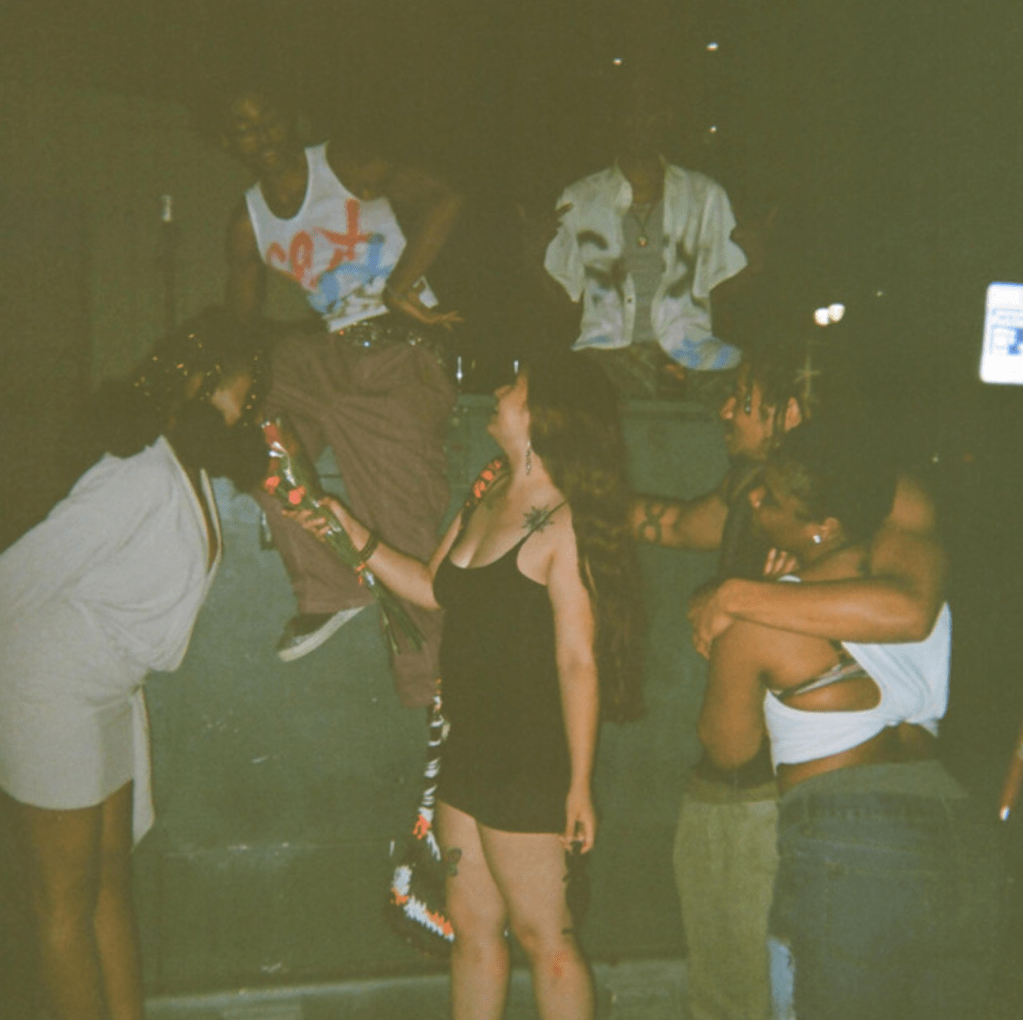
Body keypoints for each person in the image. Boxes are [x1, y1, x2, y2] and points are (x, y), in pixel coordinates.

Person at [289, 352, 644, 1020]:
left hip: (529, 761)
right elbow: (431, 587)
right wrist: (345, 525)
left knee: (547, 938)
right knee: (472, 932)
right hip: (467, 752)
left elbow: (577, 660)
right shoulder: (486, 492)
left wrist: (578, 784)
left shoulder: (565, 523)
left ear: (542, 415)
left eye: (516, 385)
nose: (499, 391)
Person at [629, 336, 946, 1020]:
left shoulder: (887, 496)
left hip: (795, 799)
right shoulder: (751, 490)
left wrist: (740, 600)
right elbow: (671, 523)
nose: (723, 412)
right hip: (774, 790)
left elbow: (909, 609)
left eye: (742, 401)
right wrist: (577, 492)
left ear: (790, 413)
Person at [0, 308, 265, 1020]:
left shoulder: (184, 467)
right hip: (49, 687)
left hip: (110, 692)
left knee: (111, 883)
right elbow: (23, 571)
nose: (246, 411)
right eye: (241, 393)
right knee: (62, 904)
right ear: (200, 384)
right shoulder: (137, 472)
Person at [698, 422, 1004, 1020]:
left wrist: (734, 632)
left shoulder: (753, 617)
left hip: (845, 841)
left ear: (824, 526)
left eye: (772, 498)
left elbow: (727, 748)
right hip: (955, 833)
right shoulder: (913, 570)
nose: (754, 498)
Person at [216, 79, 463, 708]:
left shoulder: (343, 163)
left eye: (268, 119)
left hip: (401, 352)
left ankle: (431, 693)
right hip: (328, 355)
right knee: (244, 417)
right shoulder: (247, 221)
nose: (261, 137)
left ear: (289, 116)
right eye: (244, 128)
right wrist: (231, 387)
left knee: (401, 525)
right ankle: (331, 588)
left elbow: (445, 197)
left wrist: (402, 286)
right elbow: (242, 330)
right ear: (228, 141)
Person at [543, 75, 748, 404]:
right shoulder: (580, 198)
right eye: (628, 113)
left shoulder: (705, 195)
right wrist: (532, 257)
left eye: (650, 112)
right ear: (614, 121)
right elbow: (566, 297)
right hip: (606, 354)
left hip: (690, 351)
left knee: (748, 383)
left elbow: (722, 287)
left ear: (667, 119)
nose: (638, 122)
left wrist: (755, 263)